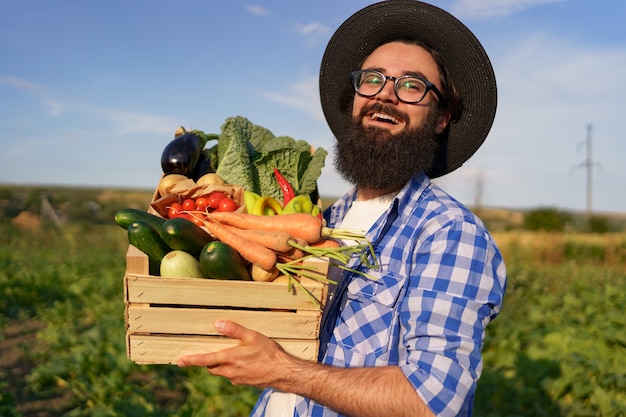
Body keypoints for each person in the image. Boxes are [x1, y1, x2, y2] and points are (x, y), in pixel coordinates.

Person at [177, 1, 507, 416]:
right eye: (372, 80)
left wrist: (284, 371)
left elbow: (433, 400)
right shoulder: (325, 222)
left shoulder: (449, 233)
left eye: (411, 86)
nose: (384, 95)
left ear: (441, 118)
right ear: (355, 98)